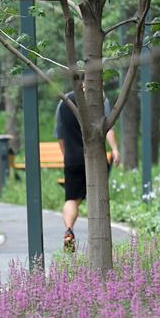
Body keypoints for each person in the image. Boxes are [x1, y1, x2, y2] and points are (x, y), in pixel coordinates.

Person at [54, 88, 120, 252]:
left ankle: (69, 229)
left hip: (72, 158)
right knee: (98, 196)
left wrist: (67, 156)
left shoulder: (64, 102)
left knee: (72, 199)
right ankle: (99, 239)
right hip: (95, 158)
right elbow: (108, 127)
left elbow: (60, 135)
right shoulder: (99, 98)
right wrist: (114, 149)